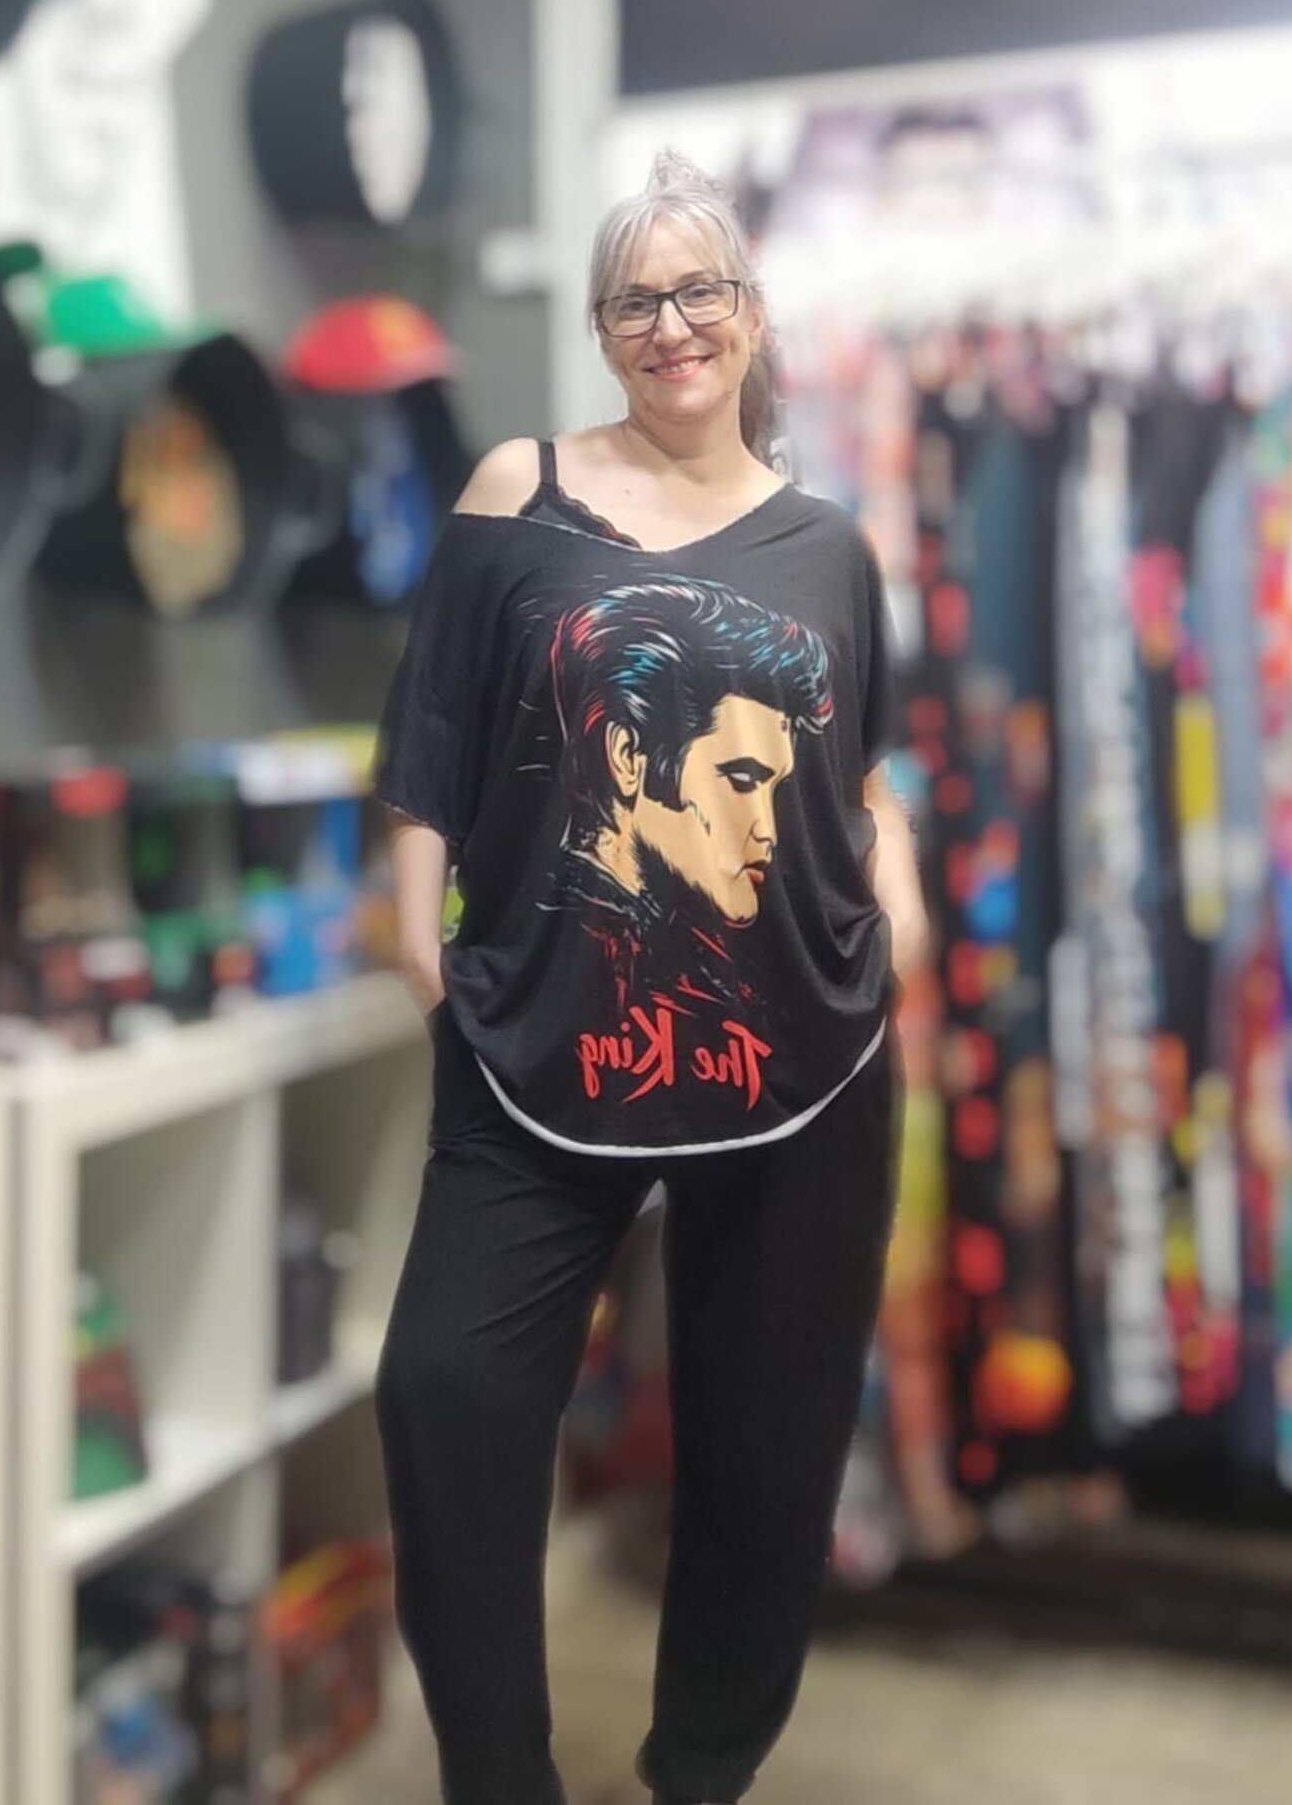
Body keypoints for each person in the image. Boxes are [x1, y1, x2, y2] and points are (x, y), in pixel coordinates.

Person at [372, 149, 929, 1805]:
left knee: (769, 1449)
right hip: (542, 1027)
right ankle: (500, 1782)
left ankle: (700, 1776)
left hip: (805, 1050)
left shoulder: (831, 546)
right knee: (446, 1395)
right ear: (602, 328)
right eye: (635, 301)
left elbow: (865, 777)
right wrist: (419, 937)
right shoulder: (520, 487)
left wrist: (896, 911)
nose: (671, 326)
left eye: (700, 293)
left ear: (752, 314)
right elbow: (434, 729)